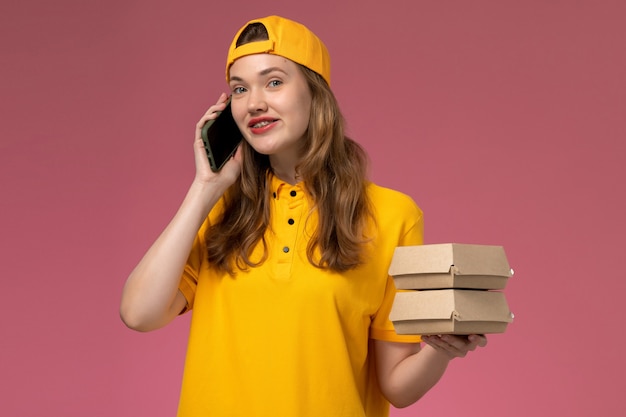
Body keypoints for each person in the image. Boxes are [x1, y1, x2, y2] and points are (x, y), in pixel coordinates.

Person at [120, 15, 487, 417]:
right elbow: (139, 314)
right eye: (239, 89)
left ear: (316, 93)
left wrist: (440, 350)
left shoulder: (392, 215)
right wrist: (204, 188)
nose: (255, 102)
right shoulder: (219, 211)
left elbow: (396, 387)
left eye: (273, 81)